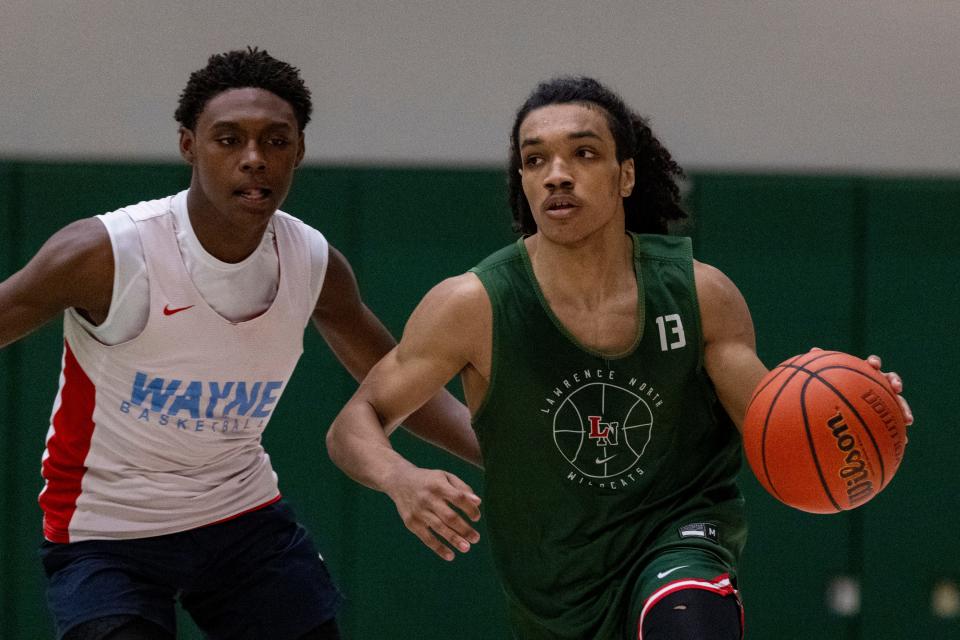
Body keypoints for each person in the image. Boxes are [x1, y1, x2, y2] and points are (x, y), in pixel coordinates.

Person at [326, 76, 914, 639]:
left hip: (680, 538)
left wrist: (854, 410)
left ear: (625, 174)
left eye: (583, 153)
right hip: (555, 589)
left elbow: (775, 429)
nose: (557, 175)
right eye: (535, 160)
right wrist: (399, 478)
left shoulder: (699, 294)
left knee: (687, 614)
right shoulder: (472, 305)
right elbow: (356, 421)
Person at [0, 47, 480, 640]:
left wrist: (508, 455)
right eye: (228, 140)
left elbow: (397, 381)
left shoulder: (313, 263)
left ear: (298, 151)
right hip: (106, 527)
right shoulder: (107, 252)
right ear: (188, 145)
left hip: (239, 516)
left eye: (275, 142)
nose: (254, 159)